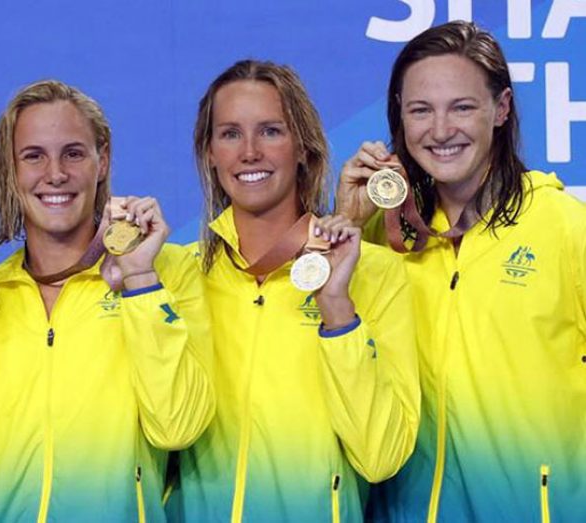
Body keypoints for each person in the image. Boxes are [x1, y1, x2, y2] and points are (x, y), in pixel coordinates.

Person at [336, 21, 586, 522]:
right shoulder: (379, 239)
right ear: (400, 120)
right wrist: (346, 221)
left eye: (462, 107)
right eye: (420, 110)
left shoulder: (563, 226)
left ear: (502, 109)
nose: (441, 130)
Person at [173, 59, 420, 523]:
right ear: (208, 152)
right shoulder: (180, 274)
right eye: (229, 134)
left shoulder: (375, 273)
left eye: (270, 131)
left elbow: (381, 455)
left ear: (304, 147)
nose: (249, 152)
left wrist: (337, 311)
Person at [0, 80, 215, 522]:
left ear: (101, 160)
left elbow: (178, 425)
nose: (55, 174)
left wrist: (139, 280)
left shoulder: (167, 273)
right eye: (33, 156)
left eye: (73, 153)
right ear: (10, 170)